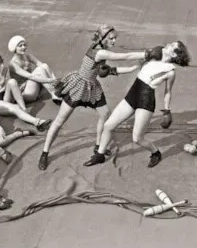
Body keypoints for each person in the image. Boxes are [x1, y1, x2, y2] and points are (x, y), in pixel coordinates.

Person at [37, 25, 148, 170]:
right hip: (78, 85)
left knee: (105, 114)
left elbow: (110, 70)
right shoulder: (100, 52)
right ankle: (44, 153)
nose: (114, 41)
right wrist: (146, 54)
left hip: (91, 86)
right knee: (60, 120)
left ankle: (98, 146)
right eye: (111, 38)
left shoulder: (100, 50)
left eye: (115, 38)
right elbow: (124, 57)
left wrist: (134, 68)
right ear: (102, 38)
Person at [84, 40, 191, 169]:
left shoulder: (170, 71)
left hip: (146, 100)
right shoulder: (153, 56)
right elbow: (133, 66)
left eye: (173, 46)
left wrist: (167, 111)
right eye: (171, 43)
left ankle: (155, 152)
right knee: (108, 126)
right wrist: (112, 71)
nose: (169, 44)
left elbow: (168, 92)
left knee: (137, 138)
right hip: (132, 94)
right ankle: (100, 155)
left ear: (174, 55)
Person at [0, 51, 52, 133]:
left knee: (12, 81)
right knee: (14, 108)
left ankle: (24, 109)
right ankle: (38, 122)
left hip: (4, 96)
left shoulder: (3, 68)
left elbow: (10, 85)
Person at [7, 35, 60, 103]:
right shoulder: (12, 64)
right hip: (25, 93)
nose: (23, 47)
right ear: (14, 48)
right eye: (20, 46)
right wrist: (50, 80)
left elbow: (43, 66)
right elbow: (30, 76)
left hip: (32, 86)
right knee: (39, 71)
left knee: (44, 65)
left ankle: (56, 87)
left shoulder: (28, 56)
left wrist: (54, 79)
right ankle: (53, 94)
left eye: (24, 45)